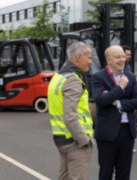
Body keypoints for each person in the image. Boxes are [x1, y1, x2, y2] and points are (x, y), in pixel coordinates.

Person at [92, 45, 137, 180]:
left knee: (124, 173)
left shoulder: (130, 76)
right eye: (117, 57)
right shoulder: (98, 77)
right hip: (107, 133)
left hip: (127, 132)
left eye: (123, 56)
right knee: (106, 172)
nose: (122, 59)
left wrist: (117, 102)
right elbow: (101, 101)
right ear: (108, 60)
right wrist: (120, 87)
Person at [47, 42, 94, 180]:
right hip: (75, 141)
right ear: (79, 57)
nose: (90, 62)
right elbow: (70, 116)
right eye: (89, 57)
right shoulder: (73, 81)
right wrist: (84, 140)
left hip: (61, 138)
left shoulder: (58, 77)